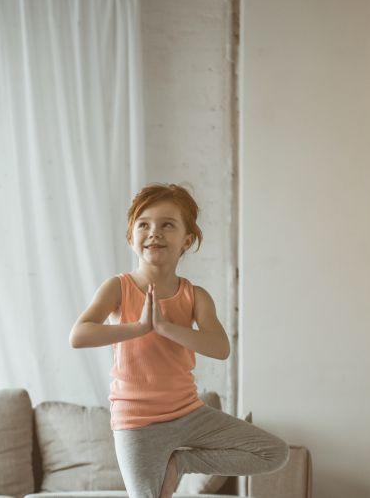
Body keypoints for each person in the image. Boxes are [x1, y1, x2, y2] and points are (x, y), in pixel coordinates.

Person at [70, 183, 288, 498]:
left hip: (189, 414)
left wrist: (165, 327)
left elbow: (220, 348)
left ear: (186, 240)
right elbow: (79, 335)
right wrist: (140, 327)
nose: (154, 232)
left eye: (167, 225)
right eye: (143, 225)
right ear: (132, 237)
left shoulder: (195, 296)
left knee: (275, 453)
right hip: (137, 422)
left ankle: (183, 461)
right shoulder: (118, 288)